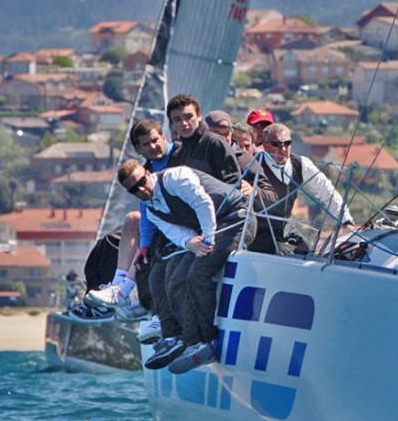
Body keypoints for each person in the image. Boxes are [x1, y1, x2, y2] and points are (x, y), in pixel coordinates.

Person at [118, 159, 256, 374]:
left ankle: (208, 340)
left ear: (147, 173)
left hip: (237, 220)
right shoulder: (152, 210)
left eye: (142, 182)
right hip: (209, 230)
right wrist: (190, 242)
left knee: (196, 274)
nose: (141, 189)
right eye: (134, 189)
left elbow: (203, 203)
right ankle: (185, 339)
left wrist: (207, 240)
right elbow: (176, 233)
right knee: (168, 275)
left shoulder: (174, 178)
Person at [83, 119, 175, 340]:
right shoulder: (148, 168)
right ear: (138, 150)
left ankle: (131, 296)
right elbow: (146, 208)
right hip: (162, 220)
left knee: (158, 249)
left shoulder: (178, 156)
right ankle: (118, 286)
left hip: (181, 223)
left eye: (155, 140)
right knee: (132, 220)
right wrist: (143, 245)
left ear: (164, 137)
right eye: (146, 144)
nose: (153, 146)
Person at [249, 122, 356, 255]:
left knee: (308, 255)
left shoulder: (301, 164)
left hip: (284, 227)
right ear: (265, 146)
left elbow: (327, 192)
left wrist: (346, 221)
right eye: (277, 144)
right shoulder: (253, 164)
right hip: (257, 230)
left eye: (287, 143)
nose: (283, 149)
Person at [167, 94, 240, 187]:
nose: (184, 123)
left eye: (188, 117)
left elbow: (233, 183)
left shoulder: (215, 143)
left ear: (199, 116)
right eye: (177, 119)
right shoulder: (179, 152)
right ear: (172, 124)